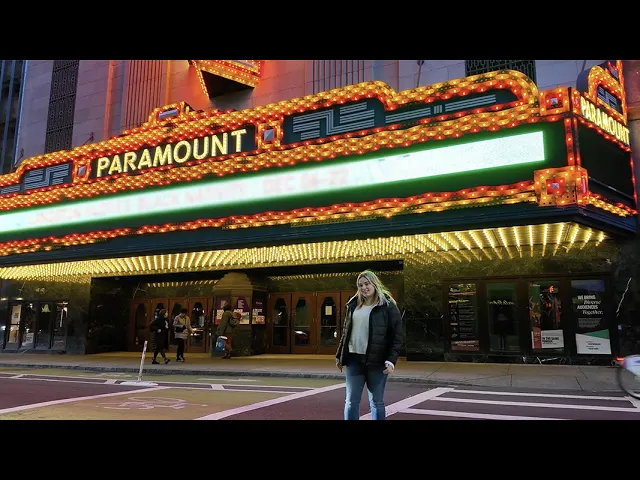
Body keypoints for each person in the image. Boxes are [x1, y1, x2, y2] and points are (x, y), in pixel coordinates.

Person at [335, 270, 403, 420]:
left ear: (374, 284)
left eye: (367, 284)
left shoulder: (388, 306)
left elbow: (396, 336)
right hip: (354, 360)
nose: (364, 287)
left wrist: (391, 360)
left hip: (377, 361)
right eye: (360, 285)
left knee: (376, 402)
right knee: (351, 402)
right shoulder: (354, 305)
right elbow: (346, 333)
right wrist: (340, 356)